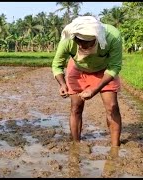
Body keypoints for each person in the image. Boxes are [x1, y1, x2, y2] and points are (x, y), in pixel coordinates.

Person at [52, 16, 123, 147]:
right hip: (77, 69)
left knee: (112, 107)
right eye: (80, 43)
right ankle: (76, 144)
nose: (83, 46)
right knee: (76, 107)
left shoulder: (112, 36)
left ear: (97, 38)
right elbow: (57, 64)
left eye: (88, 43)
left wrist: (95, 89)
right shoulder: (67, 39)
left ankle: (115, 147)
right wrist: (62, 84)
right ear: (74, 38)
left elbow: (115, 67)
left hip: (104, 71)